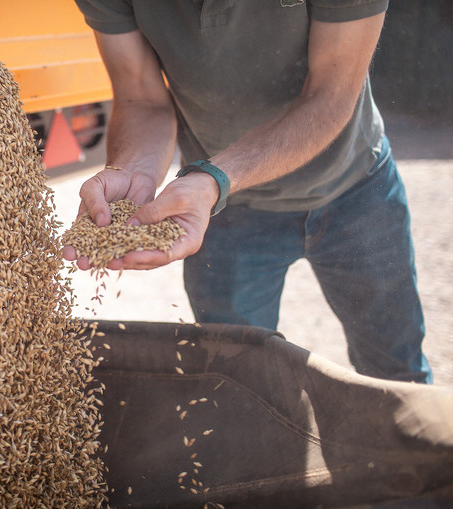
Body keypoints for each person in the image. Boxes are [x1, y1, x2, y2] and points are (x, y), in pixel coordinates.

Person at [62, 0, 433, 383]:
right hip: (224, 212)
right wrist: (132, 170)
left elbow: (331, 94)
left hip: (354, 189)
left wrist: (215, 178)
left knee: (397, 371)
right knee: (237, 382)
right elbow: (140, 97)